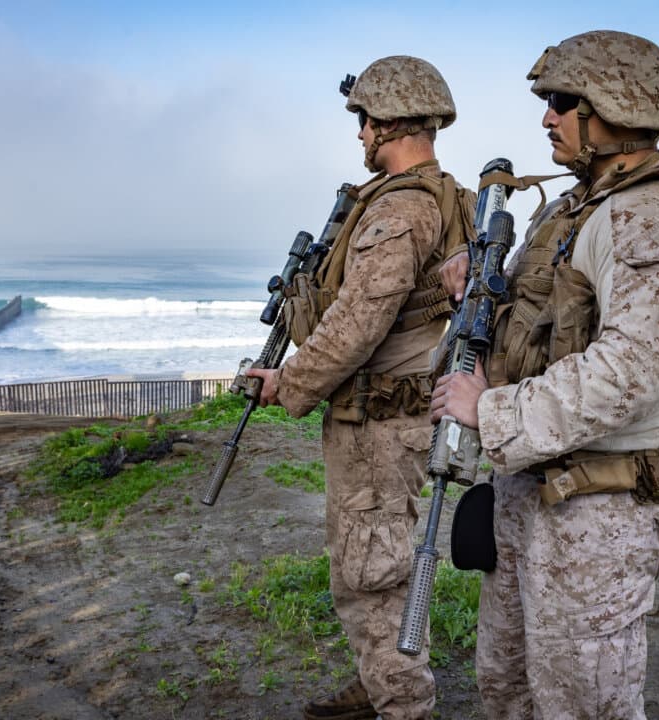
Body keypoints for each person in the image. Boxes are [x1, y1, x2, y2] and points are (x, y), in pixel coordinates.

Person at [431, 30, 659, 719]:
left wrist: (492, 413)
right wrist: (475, 292)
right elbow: (538, 329)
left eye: (563, 101)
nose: (547, 117)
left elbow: (634, 368)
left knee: (583, 703)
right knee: (509, 687)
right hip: (530, 493)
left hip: (596, 510)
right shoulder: (570, 208)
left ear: (615, 107)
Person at [247, 56, 474, 720]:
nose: (360, 134)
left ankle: (402, 703)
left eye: (366, 120)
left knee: (372, 572)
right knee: (368, 562)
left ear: (393, 120)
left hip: (381, 422)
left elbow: (357, 323)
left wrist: (287, 384)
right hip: (383, 414)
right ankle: (379, 680)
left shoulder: (403, 206)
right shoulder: (441, 194)